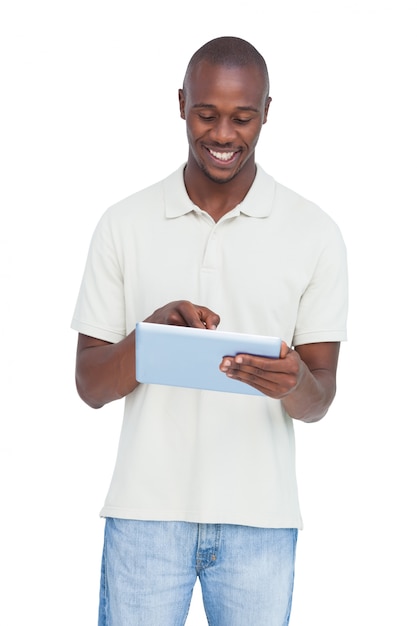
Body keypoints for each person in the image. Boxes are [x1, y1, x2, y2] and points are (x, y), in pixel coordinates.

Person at [72, 36, 348, 626]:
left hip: (261, 521)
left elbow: (319, 398)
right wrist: (149, 339)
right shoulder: (123, 224)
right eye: (207, 113)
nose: (224, 134)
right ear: (181, 104)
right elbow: (90, 386)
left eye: (243, 117)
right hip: (145, 515)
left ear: (268, 112)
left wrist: (293, 382)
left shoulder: (315, 233)